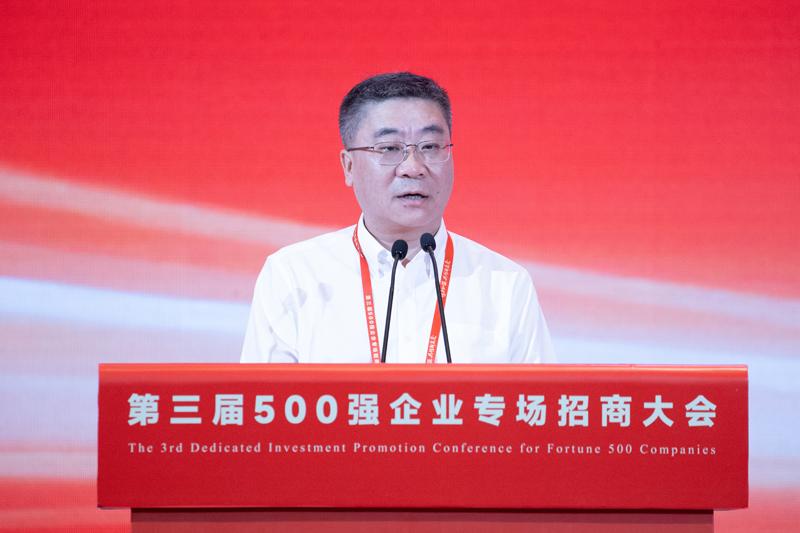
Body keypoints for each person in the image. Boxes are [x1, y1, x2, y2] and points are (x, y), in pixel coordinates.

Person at [241, 72, 554, 364]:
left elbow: (537, 403)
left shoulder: (505, 284)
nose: (413, 167)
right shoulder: (294, 276)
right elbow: (265, 402)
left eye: (430, 146)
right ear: (348, 167)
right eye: (389, 148)